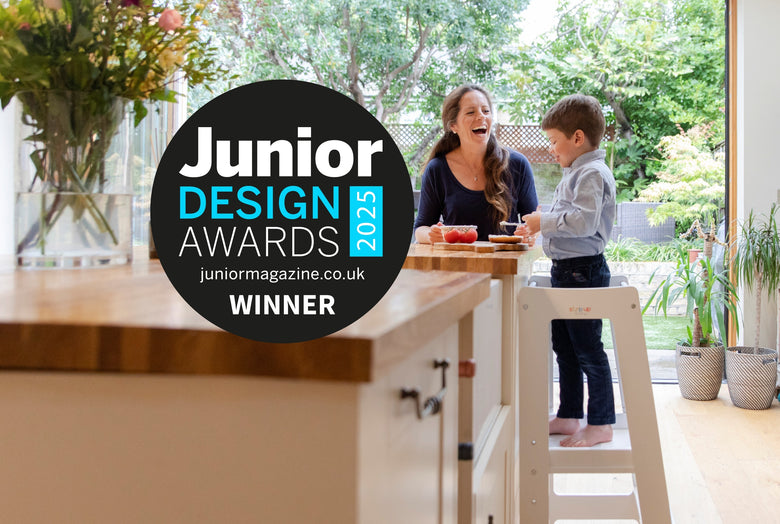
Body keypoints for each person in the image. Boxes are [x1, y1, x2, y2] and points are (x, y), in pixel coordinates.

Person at [518, 93, 617, 448]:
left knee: (587, 349)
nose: (551, 150)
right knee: (566, 348)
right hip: (568, 272)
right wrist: (540, 223)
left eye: (554, 141)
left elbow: (583, 222)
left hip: (582, 273)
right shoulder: (576, 172)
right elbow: (571, 216)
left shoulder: (591, 173)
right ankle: (570, 414)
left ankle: (601, 423)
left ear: (577, 138)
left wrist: (543, 221)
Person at [413, 84, 538, 243]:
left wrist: (529, 234)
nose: (481, 117)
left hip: (506, 259)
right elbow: (421, 228)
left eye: (486, 111)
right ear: (453, 125)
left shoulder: (518, 164)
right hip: (455, 259)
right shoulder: (437, 169)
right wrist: (433, 235)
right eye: (471, 112)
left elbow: (534, 225)